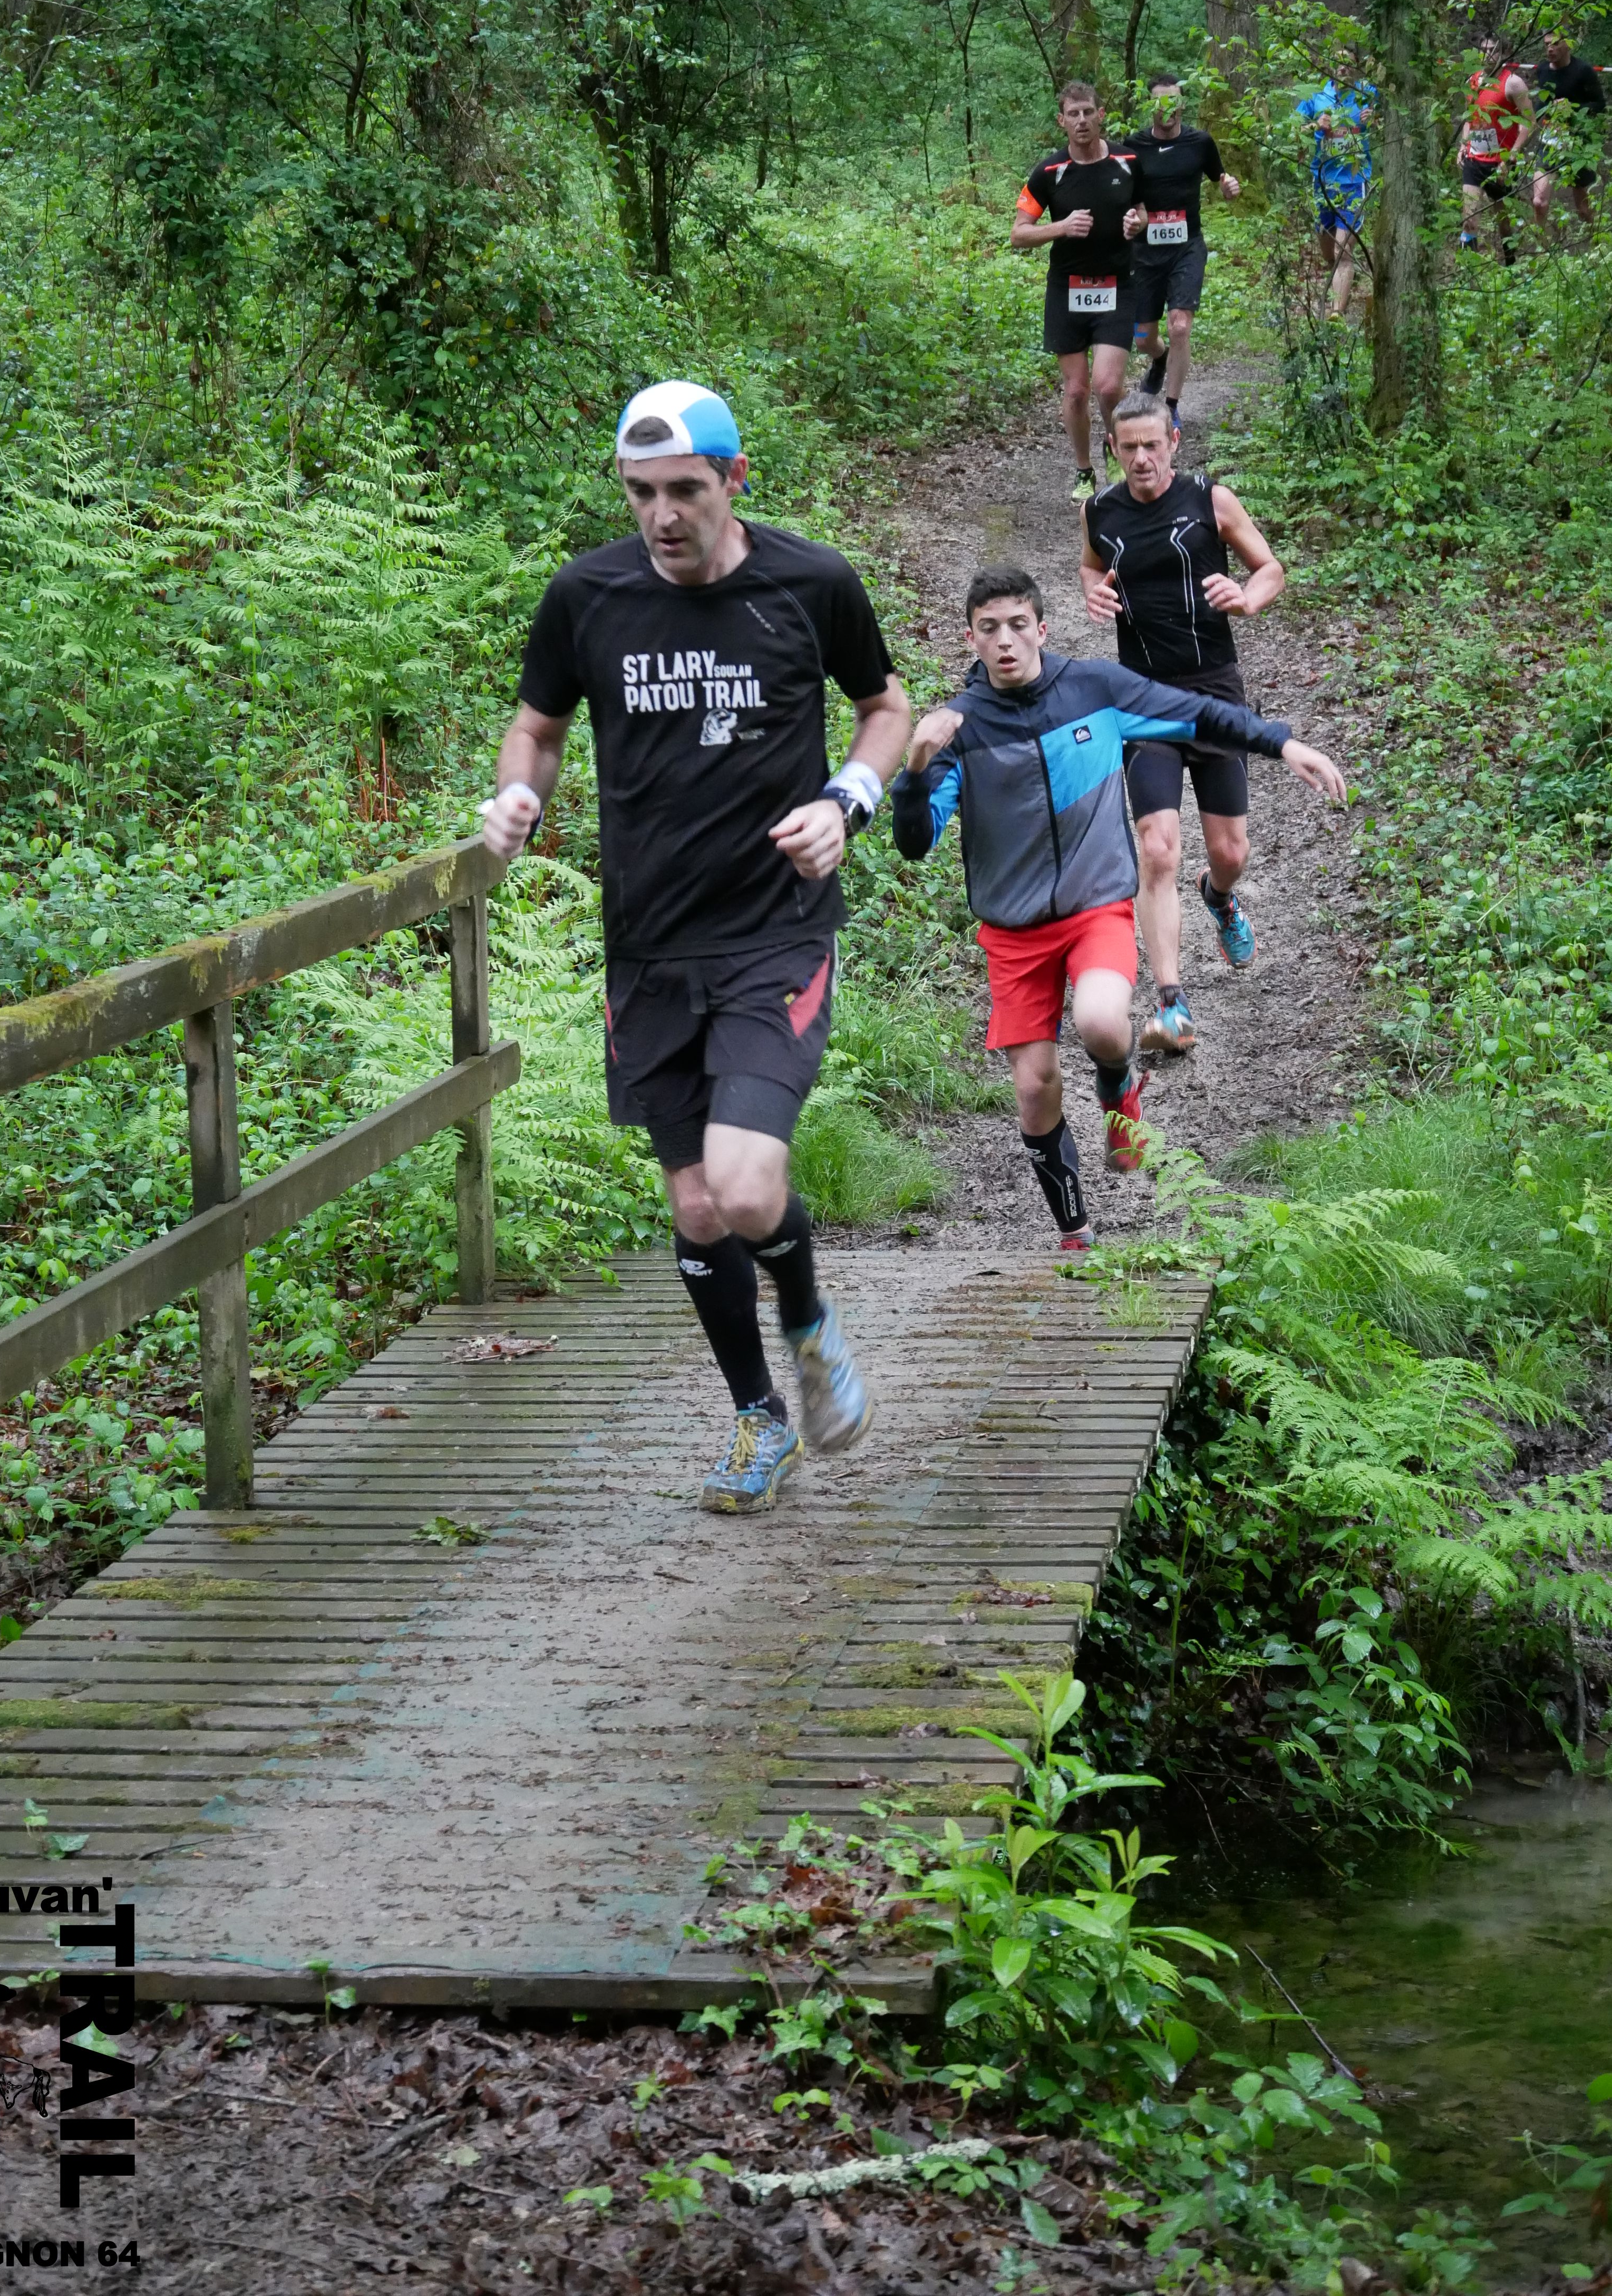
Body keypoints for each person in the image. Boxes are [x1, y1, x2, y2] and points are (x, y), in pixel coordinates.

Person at [481, 380, 911, 1516]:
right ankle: (759, 1418)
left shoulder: (810, 583)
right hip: (648, 948)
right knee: (698, 1209)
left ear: (733, 479)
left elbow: (884, 708)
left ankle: (808, 1320)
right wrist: (518, 797)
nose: (661, 516)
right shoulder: (586, 596)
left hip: (773, 931)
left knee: (745, 1180)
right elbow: (535, 729)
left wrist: (848, 800)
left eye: (684, 489)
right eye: (640, 494)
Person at [890, 566, 1344, 1252]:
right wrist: (917, 768)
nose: (1006, 640)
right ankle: (1076, 1235)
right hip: (1012, 933)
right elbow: (916, 842)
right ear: (971, 639)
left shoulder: (1096, 690)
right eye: (990, 629)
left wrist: (1282, 742)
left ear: (1042, 628)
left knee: (1102, 1022)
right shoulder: (961, 728)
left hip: (1094, 907)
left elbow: (1199, 712)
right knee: (1035, 1089)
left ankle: (1116, 1087)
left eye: (1018, 625)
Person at [1079, 394, 1287, 1055]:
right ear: (1113, 449)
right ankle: (1171, 1003)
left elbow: (1270, 568)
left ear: (1173, 440)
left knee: (1230, 854)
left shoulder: (1210, 500)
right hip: (1142, 697)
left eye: (1152, 444)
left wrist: (1246, 598)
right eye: (1128, 447)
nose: (1141, 458)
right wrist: (1092, 590)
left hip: (1214, 691)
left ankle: (1218, 897)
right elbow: (1090, 564)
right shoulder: (1099, 511)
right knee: (1158, 847)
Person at [1012, 78, 1147, 503]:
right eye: (1074, 114)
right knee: (1076, 391)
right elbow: (1019, 234)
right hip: (1067, 290)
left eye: (1089, 112)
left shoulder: (1128, 161)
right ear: (1062, 121)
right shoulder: (1049, 172)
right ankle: (1084, 469)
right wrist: (1062, 227)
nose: (1082, 120)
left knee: (1107, 386)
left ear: (1101, 115)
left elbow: (1142, 209)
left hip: (1116, 287)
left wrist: (1138, 223)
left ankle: (1117, 451)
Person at [1126, 73, 1241, 425]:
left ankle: (1172, 406)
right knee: (1143, 338)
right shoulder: (1133, 146)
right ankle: (1159, 358)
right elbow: (1123, 196)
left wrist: (1229, 188)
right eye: (1160, 102)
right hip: (1145, 253)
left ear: (1183, 104)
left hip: (1186, 247)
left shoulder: (1200, 142)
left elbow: (1221, 179)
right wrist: (1128, 218)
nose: (1168, 108)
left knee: (1179, 326)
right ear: (1150, 106)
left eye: (1173, 101)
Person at [1296, 49, 1375, 315]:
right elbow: (1295, 129)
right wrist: (1315, 126)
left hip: (1354, 181)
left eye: (1348, 63)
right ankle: (1341, 282)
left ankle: (1336, 314)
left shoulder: (1366, 93)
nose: (1342, 68)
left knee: (1344, 250)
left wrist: (1374, 120)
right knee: (1329, 252)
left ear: (1355, 67)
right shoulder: (1316, 97)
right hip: (1324, 181)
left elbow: (1389, 115)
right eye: (1337, 63)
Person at [1458, 36, 1533, 264]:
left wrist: (1511, 157)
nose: (1488, 55)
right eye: (1484, 50)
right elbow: (1469, 118)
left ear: (1503, 52)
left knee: (1503, 221)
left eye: (1493, 50)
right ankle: (1468, 270)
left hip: (1501, 163)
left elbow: (1530, 122)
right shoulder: (1473, 81)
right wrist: (1463, 145)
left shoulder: (1513, 83)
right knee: (1469, 219)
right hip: (1475, 159)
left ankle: (1511, 263)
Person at [1531, 33, 1605, 234]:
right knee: (1539, 202)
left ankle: (1596, 241)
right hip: (1551, 141)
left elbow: (1600, 105)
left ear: (1568, 45)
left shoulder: (1583, 71)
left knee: (1583, 209)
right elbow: (1540, 106)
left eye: (1555, 44)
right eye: (1547, 44)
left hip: (1578, 142)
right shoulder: (1543, 70)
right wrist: (1546, 112)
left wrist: (1571, 108)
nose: (1550, 49)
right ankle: (1541, 247)